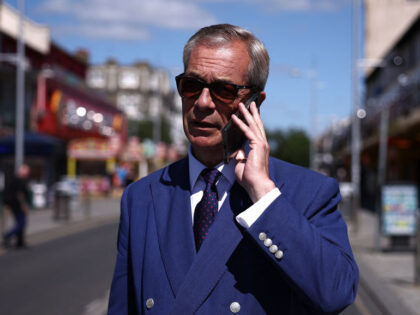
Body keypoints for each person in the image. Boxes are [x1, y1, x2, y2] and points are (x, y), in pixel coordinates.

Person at [108, 24, 358, 314]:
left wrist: (264, 195)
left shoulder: (308, 193)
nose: (202, 103)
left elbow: (337, 292)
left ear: (255, 102)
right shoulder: (141, 197)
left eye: (223, 90)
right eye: (191, 85)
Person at [2, 164, 31, 248]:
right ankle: (7, 236)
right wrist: (24, 205)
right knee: (21, 223)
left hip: (14, 205)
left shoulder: (14, 180)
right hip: (18, 206)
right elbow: (20, 194)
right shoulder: (21, 181)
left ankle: (20, 242)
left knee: (20, 223)